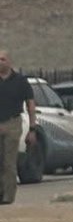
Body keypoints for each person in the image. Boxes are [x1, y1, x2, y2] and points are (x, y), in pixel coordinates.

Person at [0, 51, 36, 204]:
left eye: (2, 59)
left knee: (9, 161)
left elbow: (31, 104)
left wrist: (32, 129)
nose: (0, 62)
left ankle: (8, 197)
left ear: (9, 62)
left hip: (13, 123)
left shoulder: (20, 81)